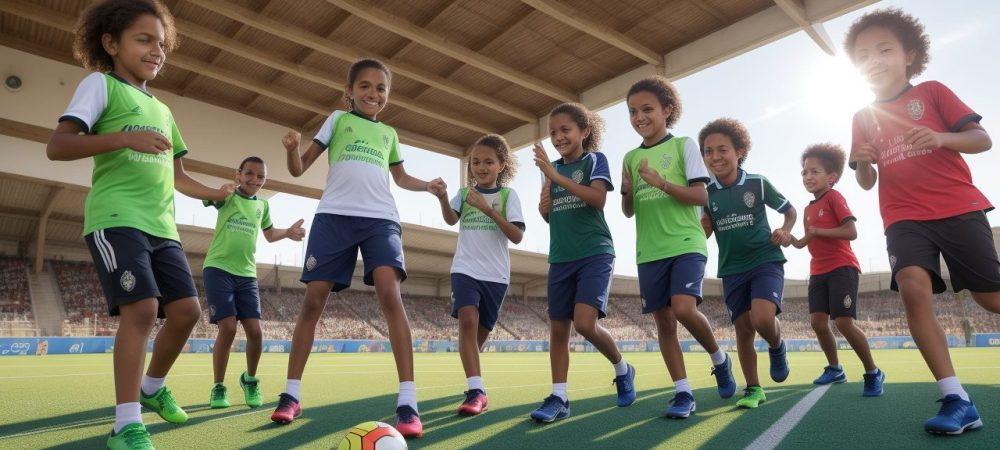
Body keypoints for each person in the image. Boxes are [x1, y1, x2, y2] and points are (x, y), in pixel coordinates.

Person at [46, 1, 235, 448]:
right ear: (111, 44)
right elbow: (58, 145)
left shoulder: (165, 111)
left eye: (162, 43)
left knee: (187, 313)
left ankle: (151, 388)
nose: (157, 50)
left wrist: (216, 192)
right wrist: (124, 137)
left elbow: (178, 174)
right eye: (144, 39)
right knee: (145, 311)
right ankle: (125, 424)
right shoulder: (101, 85)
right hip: (116, 219)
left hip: (162, 228)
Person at [272, 58, 446, 439]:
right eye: (365, 86)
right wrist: (291, 148)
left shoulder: (390, 134)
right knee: (314, 302)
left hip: (380, 219)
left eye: (381, 88)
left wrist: (429, 187)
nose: (373, 93)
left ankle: (408, 403)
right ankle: (291, 395)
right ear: (349, 91)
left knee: (390, 294)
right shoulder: (336, 120)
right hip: (334, 218)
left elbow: (400, 177)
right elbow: (299, 169)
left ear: (387, 96)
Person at [845, 7, 998, 435]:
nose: (873, 59)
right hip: (902, 217)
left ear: (909, 54)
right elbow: (865, 179)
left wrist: (941, 137)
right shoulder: (861, 117)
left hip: (958, 206)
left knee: (991, 299)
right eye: (863, 55)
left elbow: (982, 139)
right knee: (914, 288)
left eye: (884, 49)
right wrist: (862, 164)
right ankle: (956, 398)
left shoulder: (932, 91)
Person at [621, 76, 736, 419]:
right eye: (632, 111)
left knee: (684, 309)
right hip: (649, 250)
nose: (639, 117)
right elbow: (628, 210)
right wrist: (628, 190)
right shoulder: (629, 157)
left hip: (686, 242)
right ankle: (683, 392)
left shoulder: (684, 145)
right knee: (665, 322)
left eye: (647, 109)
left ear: (666, 110)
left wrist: (662, 182)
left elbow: (702, 196)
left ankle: (719, 359)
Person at [530, 103, 635, 424]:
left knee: (585, 324)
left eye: (565, 130)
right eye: (553, 133)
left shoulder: (594, 160)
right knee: (558, 328)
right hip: (561, 256)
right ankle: (559, 397)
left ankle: (622, 368)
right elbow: (550, 215)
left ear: (584, 132)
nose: (558, 137)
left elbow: (597, 199)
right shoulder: (552, 168)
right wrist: (543, 205)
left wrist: (554, 177)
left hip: (595, 252)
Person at [699, 118, 795, 409]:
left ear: (739, 151)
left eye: (722, 149)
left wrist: (786, 229)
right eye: (708, 151)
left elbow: (789, 211)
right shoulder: (705, 193)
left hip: (766, 260)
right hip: (731, 269)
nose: (715, 157)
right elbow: (705, 228)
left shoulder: (757, 183)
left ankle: (777, 346)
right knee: (743, 329)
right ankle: (753, 389)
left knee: (762, 319)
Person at [204, 156, 305, 409]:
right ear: (238, 174)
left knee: (256, 333)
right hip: (218, 269)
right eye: (249, 173)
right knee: (227, 328)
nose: (255, 180)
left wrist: (288, 233)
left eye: (261, 176)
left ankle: (249, 380)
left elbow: (270, 235)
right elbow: (208, 198)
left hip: (247, 274)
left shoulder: (262, 206)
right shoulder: (227, 196)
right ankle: (218, 387)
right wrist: (221, 191)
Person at [434, 134, 524, 416]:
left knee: (479, 334)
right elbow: (451, 218)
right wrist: (442, 197)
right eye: (475, 162)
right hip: (464, 269)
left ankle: (472, 380)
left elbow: (517, 235)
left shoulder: (509, 196)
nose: (481, 167)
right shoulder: (463, 194)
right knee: (468, 319)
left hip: (496, 276)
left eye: (488, 162)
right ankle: (477, 391)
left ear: (501, 165)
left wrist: (488, 210)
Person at [789, 144, 883, 396]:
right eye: (804, 172)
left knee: (843, 322)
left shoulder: (834, 197)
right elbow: (803, 242)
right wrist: (788, 238)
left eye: (814, 172)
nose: (807, 177)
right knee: (817, 322)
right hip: (818, 271)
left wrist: (819, 232)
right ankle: (835, 368)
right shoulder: (808, 209)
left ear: (831, 177)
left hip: (842, 267)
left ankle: (873, 372)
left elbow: (851, 231)